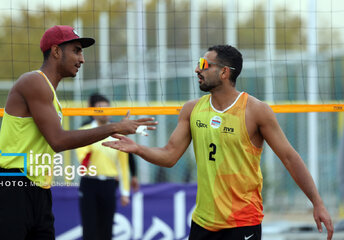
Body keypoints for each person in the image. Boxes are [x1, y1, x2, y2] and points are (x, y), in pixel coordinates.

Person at [103, 45, 334, 240]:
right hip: (203, 223)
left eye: (204, 65)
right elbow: (170, 156)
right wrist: (138, 149)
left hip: (242, 222)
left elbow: (290, 158)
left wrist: (317, 202)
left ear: (224, 72)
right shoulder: (192, 109)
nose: (197, 69)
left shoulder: (256, 111)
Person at [0, 25, 156, 240]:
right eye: (76, 50)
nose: (82, 59)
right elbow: (58, 140)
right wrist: (114, 127)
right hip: (12, 185)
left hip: (38, 189)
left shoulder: (49, 93)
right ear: (56, 51)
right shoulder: (33, 82)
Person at [76, 93, 132, 239]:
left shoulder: (116, 133)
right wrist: (93, 139)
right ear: (92, 112)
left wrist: (125, 192)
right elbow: (83, 161)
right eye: (101, 108)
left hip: (109, 184)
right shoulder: (84, 130)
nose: (105, 112)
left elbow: (123, 166)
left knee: (106, 229)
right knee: (89, 229)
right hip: (89, 183)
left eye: (108, 108)